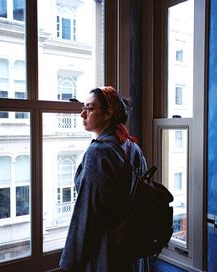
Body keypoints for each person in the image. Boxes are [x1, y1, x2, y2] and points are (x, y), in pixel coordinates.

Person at [59, 86, 150, 272]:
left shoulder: (99, 152)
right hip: (130, 247)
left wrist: (69, 263)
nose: (82, 114)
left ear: (108, 113)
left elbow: (87, 213)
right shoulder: (132, 148)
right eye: (83, 108)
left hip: (106, 253)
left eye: (90, 108)